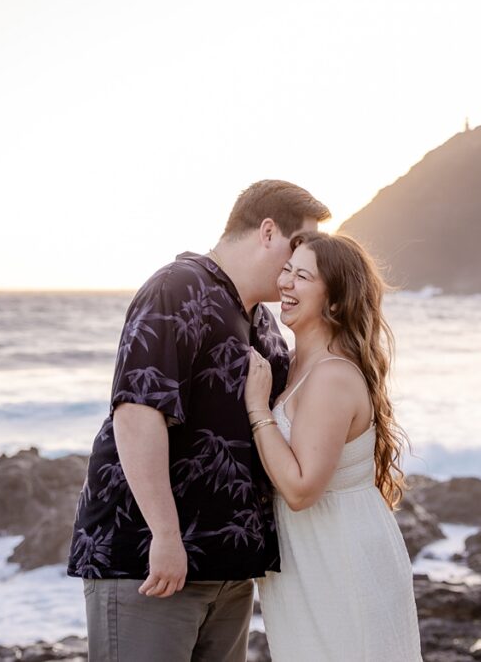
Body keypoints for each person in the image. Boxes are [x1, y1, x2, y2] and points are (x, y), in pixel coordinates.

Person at [67, 180, 330, 661]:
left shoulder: (264, 324)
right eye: (296, 248)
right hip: (151, 561)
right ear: (267, 231)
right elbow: (137, 412)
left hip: (228, 570)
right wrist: (166, 537)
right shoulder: (177, 287)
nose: (297, 269)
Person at [245, 231, 423, 661]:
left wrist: (257, 409)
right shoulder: (297, 366)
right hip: (315, 562)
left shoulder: (331, 376)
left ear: (336, 301)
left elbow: (302, 489)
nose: (285, 282)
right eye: (287, 269)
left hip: (341, 565)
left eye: (302, 276)